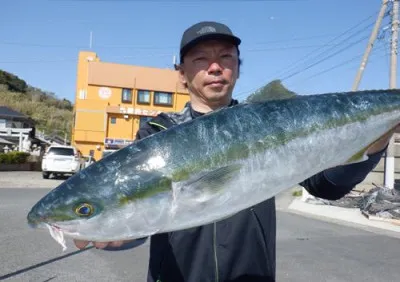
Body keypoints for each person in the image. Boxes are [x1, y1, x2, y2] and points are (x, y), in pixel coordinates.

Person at [74, 21, 397, 282]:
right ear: (182, 74)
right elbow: (144, 214)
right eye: (201, 59)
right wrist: (121, 236)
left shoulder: (274, 122)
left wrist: (381, 134)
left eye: (225, 57)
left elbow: (330, 186)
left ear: (238, 69)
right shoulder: (158, 133)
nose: (215, 67)